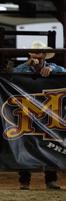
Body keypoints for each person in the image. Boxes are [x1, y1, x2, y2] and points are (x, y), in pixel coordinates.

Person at [13, 40, 65, 190]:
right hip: (28, 112)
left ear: (44, 55)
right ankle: (24, 181)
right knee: (25, 144)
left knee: (50, 143)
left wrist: (52, 70)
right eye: (34, 52)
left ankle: (50, 180)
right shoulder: (23, 68)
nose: (37, 55)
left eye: (39, 52)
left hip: (47, 113)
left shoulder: (52, 68)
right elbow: (12, 74)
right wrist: (27, 65)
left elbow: (63, 72)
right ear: (30, 54)